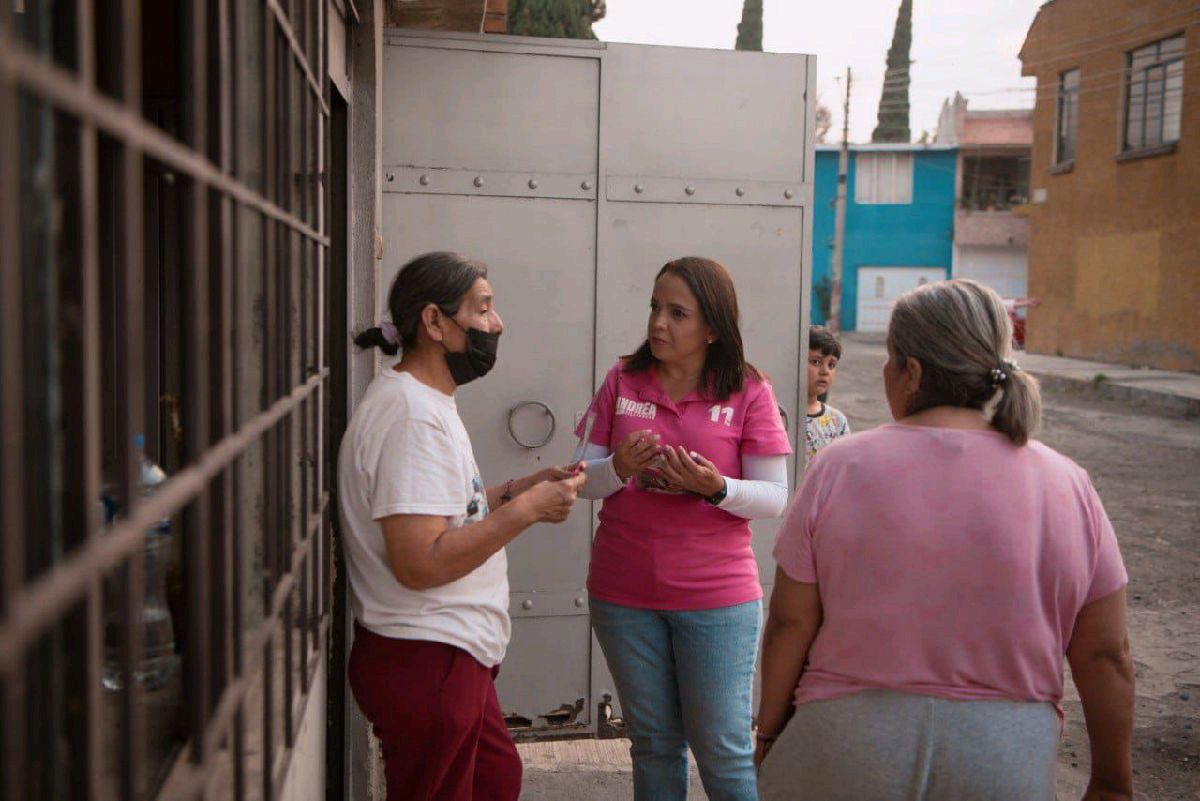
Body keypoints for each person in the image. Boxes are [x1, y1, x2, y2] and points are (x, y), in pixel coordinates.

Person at [756, 279, 1133, 801]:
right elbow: (1106, 654)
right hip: (1004, 756)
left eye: (889, 359)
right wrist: (1113, 782)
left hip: (848, 746)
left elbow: (790, 621)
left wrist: (770, 730)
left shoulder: (839, 466)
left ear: (910, 372)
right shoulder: (1067, 482)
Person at [338, 252, 587, 801]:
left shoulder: (424, 401)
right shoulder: (411, 416)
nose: (496, 325)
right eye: (482, 309)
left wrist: (521, 488)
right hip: (427, 655)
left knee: (495, 780)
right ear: (434, 322)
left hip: (449, 654)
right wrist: (527, 512)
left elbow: (450, 508)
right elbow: (420, 561)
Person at [574, 256, 792, 801]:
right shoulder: (622, 380)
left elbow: (774, 498)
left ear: (713, 327)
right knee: (653, 743)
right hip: (624, 595)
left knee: (722, 746)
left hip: (716, 599)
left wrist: (714, 487)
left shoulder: (749, 390)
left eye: (678, 313)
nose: (658, 324)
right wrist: (618, 468)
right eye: (654, 307)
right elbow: (580, 480)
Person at [804, 325, 850, 462]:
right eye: (816, 362)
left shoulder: (837, 421)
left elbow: (843, 466)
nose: (825, 371)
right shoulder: (780, 416)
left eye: (831, 365)